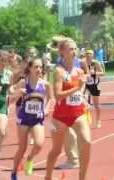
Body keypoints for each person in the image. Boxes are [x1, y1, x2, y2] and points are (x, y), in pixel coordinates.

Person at [45, 38, 91, 180]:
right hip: (61, 117)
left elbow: (80, 89)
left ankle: (82, 177)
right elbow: (58, 96)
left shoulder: (79, 70)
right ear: (62, 52)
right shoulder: (58, 71)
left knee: (87, 143)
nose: (74, 51)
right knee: (56, 150)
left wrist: (82, 97)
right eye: (70, 49)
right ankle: (48, 176)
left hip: (78, 113)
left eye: (75, 48)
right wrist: (77, 88)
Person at [10, 59, 52, 180]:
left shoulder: (45, 84)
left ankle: (30, 158)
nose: (39, 69)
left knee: (39, 144)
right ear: (30, 69)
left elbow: (50, 98)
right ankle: (14, 172)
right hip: (24, 118)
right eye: (36, 67)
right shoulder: (24, 82)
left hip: (37, 118)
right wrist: (18, 92)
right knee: (22, 148)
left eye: (40, 67)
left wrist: (46, 108)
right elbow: (11, 97)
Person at [84, 49, 104, 128]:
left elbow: (102, 73)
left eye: (90, 55)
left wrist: (95, 73)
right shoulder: (83, 63)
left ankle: (98, 120)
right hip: (86, 85)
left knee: (96, 104)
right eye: (87, 55)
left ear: (92, 56)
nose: (88, 57)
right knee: (85, 103)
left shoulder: (96, 63)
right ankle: (87, 119)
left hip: (94, 85)